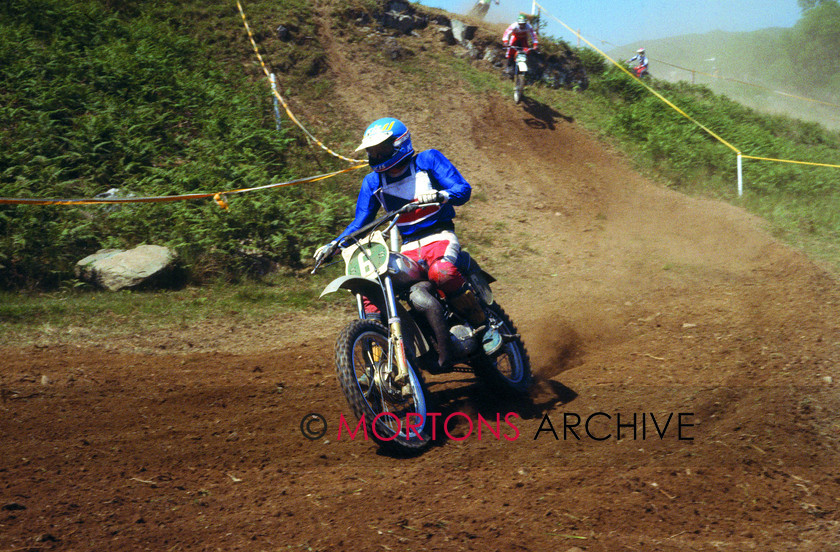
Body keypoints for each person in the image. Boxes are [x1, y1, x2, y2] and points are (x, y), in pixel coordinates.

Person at [313, 117, 502, 367]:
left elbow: (462, 190)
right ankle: (382, 358)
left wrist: (440, 195)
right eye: (372, 151)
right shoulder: (372, 182)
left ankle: (484, 324)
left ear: (399, 143)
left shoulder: (427, 160)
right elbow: (360, 223)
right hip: (409, 248)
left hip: (440, 237)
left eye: (382, 149)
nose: (377, 155)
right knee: (375, 285)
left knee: (441, 273)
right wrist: (335, 244)